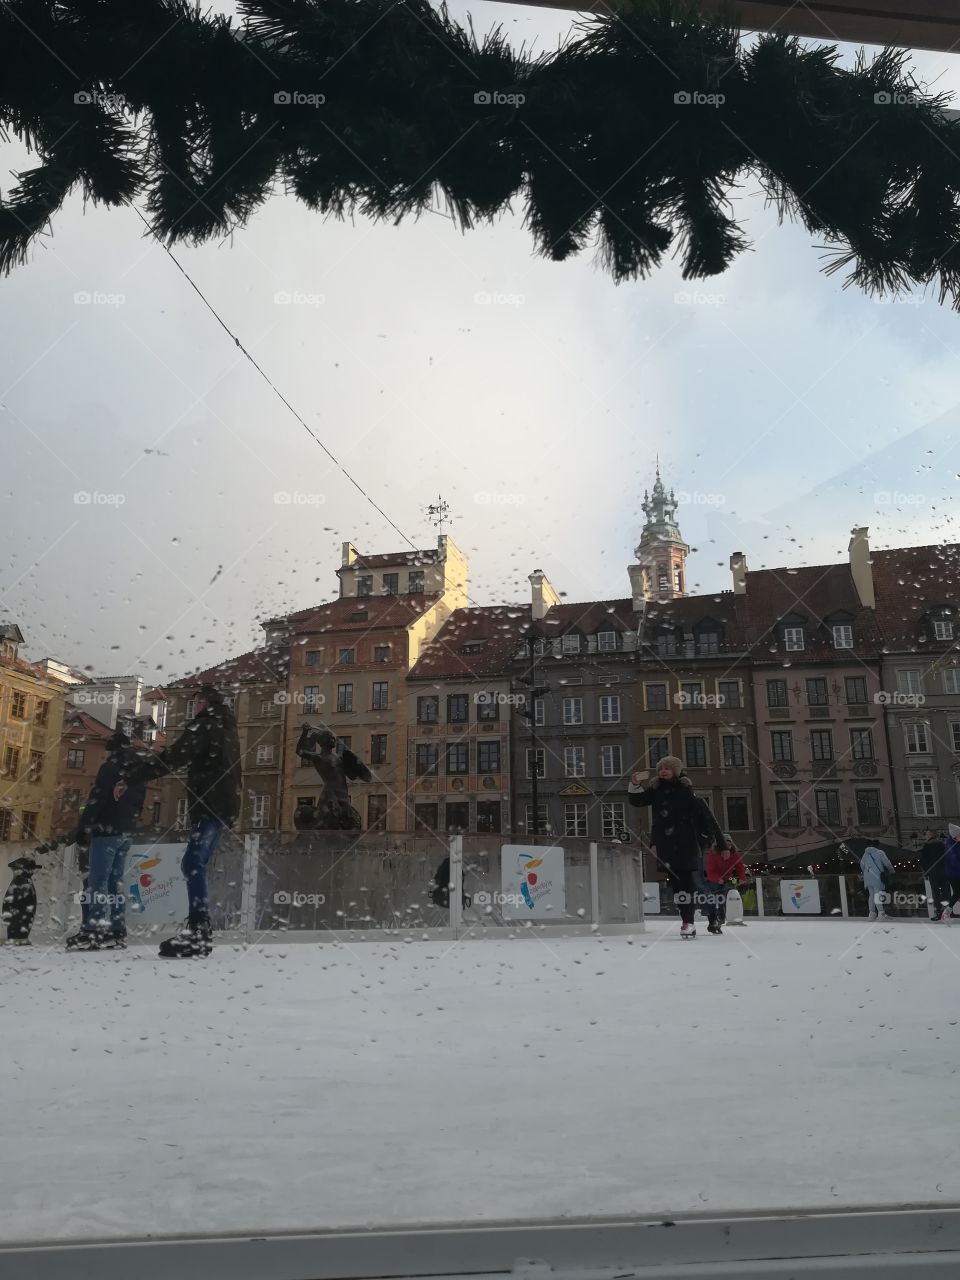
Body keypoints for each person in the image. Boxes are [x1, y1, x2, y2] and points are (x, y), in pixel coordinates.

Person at [127, 684, 242, 958]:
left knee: (192, 862)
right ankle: (199, 929)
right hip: (224, 805)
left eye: (195, 703)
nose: (194, 708)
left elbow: (173, 757)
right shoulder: (228, 729)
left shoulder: (203, 727)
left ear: (202, 703)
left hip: (209, 804)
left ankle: (199, 931)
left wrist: (132, 775)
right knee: (196, 862)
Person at [60, 731, 146, 949]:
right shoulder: (138, 772)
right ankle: (116, 931)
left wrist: (83, 827)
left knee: (98, 882)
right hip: (126, 833)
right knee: (115, 883)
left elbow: (97, 798)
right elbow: (139, 804)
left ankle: (93, 931)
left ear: (112, 749)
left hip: (106, 831)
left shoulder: (110, 768)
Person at [628, 755, 724, 939]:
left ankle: (695, 919)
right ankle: (689, 919)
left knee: (690, 883)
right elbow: (637, 801)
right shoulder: (655, 790)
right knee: (678, 886)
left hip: (687, 844)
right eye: (660, 768)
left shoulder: (686, 790)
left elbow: (704, 817)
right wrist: (634, 785)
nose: (663, 770)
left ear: (676, 771)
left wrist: (707, 839)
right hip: (667, 845)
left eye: (667, 768)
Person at [294, 725, 371, 830]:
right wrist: (304, 732)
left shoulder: (339, 757)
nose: (334, 739)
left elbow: (353, 773)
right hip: (330, 794)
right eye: (330, 737)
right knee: (326, 821)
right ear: (322, 741)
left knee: (348, 822)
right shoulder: (318, 758)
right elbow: (300, 751)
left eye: (333, 737)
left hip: (343, 794)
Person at [704, 834, 749, 934]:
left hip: (727, 878)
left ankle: (720, 918)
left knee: (725, 898)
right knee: (713, 899)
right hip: (714, 879)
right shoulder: (713, 853)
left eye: (729, 844)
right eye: (725, 844)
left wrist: (742, 878)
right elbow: (710, 870)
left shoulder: (734, 853)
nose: (728, 846)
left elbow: (740, 866)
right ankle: (713, 920)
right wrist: (717, 879)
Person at [918, 828, 948, 919]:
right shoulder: (943, 845)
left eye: (927, 834)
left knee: (935, 891)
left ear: (931, 835)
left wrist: (926, 873)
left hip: (933, 872)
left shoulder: (927, 846)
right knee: (945, 890)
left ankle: (938, 911)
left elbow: (924, 861)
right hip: (944, 871)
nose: (926, 836)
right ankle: (947, 910)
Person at [861, 844, 894, 921]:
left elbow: (861, 865)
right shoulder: (880, 852)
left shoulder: (865, 854)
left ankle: (871, 914)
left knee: (871, 895)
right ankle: (881, 914)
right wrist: (892, 870)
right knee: (877, 895)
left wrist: (866, 872)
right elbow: (887, 863)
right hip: (877, 876)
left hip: (868, 876)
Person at [942, 823, 960, 923]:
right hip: (954, 874)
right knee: (957, 892)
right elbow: (954, 861)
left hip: (956, 873)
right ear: (955, 835)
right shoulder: (951, 845)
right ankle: (946, 913)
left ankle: (946, 913)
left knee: (958, 893)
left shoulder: (956, 843)